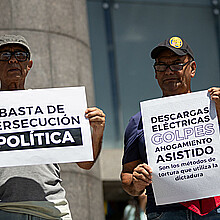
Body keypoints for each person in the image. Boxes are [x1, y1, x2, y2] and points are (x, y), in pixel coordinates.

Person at [0, 34, 105, 219]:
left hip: (53, 210)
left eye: (20, 55)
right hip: (6, 209)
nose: (14, 60)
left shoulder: (53, 107)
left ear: (29, 65)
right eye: (5, 55)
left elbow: (86, 163)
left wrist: (96, 132)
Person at [121, 36, 220, 220]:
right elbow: (127, 177)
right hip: (164, 212)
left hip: (214, 208)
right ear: (155, 73)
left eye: (176, 64)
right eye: (161, 66)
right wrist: (136, 182)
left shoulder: (216, 108)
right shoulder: (139, 121)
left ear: (192, 68)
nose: (168, 72)